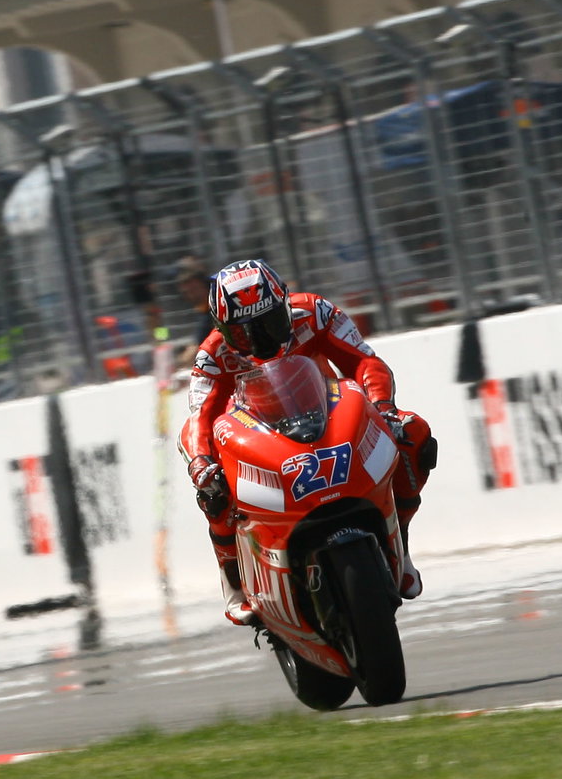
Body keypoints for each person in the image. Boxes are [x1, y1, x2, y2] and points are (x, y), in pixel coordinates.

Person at [177, 260, 436, 626]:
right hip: (256, 436)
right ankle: (233, 577)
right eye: (244, 333)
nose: (261, 340)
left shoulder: (315, 312)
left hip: (325, 420)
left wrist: (383, 409)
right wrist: (203, 463)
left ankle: (402, 547)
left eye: (269, 323)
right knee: (211, 485)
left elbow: (365, 363)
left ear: (285, 304)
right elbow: (200, 417)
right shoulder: (212, 354)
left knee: (413, 433)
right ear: (222, 329)